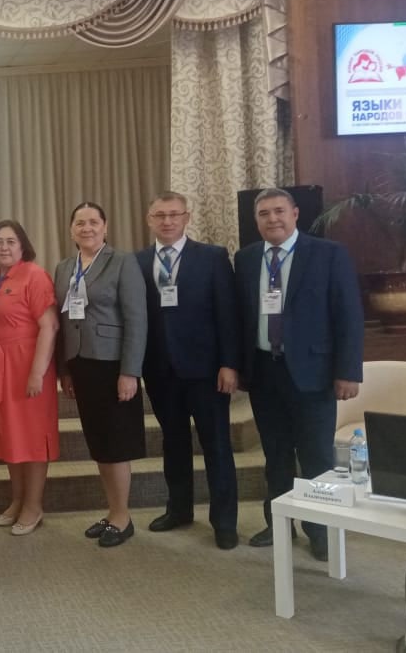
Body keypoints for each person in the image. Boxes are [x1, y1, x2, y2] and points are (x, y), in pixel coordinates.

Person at [235, 187, 362, 560]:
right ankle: (279, 524)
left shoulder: (328, 254)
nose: (272, 219)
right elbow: (240, 317)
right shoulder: (246, 259)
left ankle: (320, 530)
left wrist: (348, 371)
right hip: (264, 371)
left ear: (294, 214)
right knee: (275, 455)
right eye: (264, 213)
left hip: (313, 373)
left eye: (279, 211)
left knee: (316, 457)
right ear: (256, 220)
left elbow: (349, 315)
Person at [136, 192, 241, 550]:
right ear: (149, 219)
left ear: (187, 217)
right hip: (160, 371)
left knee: (217, 446)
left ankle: (224, 522)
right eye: (160, 215)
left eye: (174, 214)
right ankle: (179, 509)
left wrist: (229, 363)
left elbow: (228, 313)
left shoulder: (212, 257)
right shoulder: (137, 261)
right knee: (174, 443)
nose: (167, 221)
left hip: (207, 371)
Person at [54, 201, 147, 548]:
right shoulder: (64, 267)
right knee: (99, 443)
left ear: (105, 227)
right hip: (81, 364)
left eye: (94, 222)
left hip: (112, 365)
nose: (87, 228)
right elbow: (63, 321)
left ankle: (123, 517)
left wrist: (130, 372)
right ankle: (112, 511)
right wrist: (64, 369)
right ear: (71, 230)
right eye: (80, 223)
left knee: (116, 443)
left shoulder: (122, 262)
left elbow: (137, 319)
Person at [0, 220, 59, 536]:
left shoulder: (35, 276)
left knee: (32, 438)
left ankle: (33, 505)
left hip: (28, 368)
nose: (4, 247)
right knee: (10, 437)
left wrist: (38, 372)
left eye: (11, 241)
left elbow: (49, 326)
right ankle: (17, 500)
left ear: (22, 245)